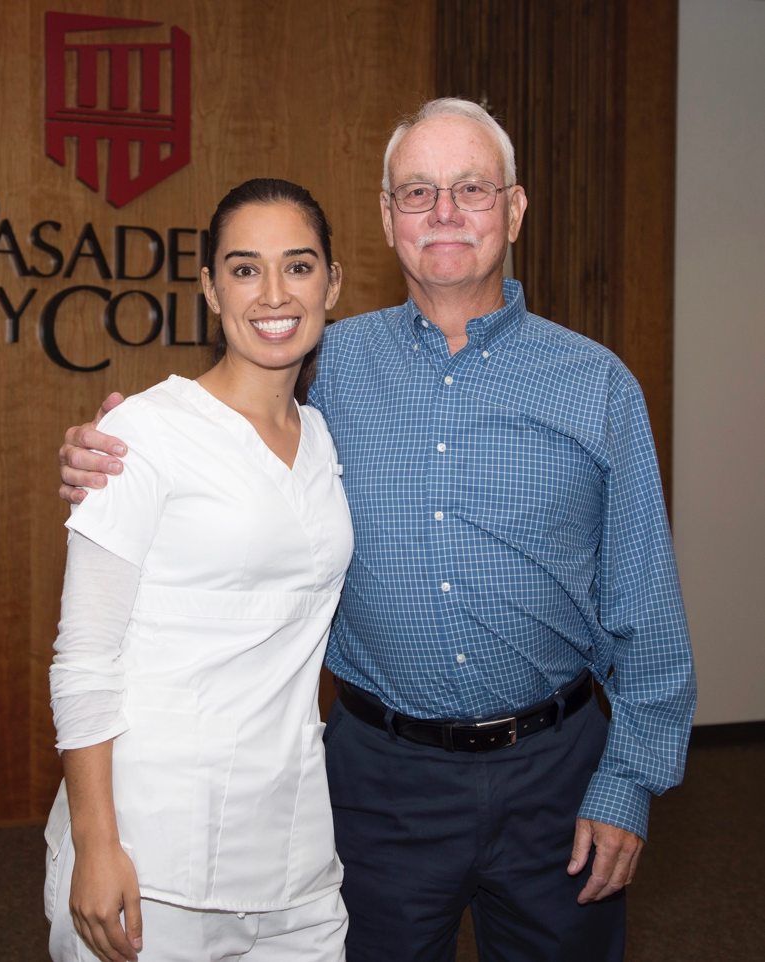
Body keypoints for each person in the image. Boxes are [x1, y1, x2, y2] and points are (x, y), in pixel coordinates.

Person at [58, 100, 696, 962]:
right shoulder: (319, 362)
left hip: (560, 775)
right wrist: (105, 447)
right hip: (377, 780)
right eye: (417, 191)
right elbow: (215, 428)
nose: (443, 211)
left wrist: (627, 785)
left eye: (470, 188)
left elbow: (647, 612)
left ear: (512, 210)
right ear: (387, 217)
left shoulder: (597, 386)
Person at [45, 179, 353, 962]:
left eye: (299, 266)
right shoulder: (143, 434)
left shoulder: (320, 436)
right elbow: (84, 657)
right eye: (245, 269)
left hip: (293, 845)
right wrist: (95, 844)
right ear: (209, 288)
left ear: (333, 284)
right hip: (152, 847)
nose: (274, 294)